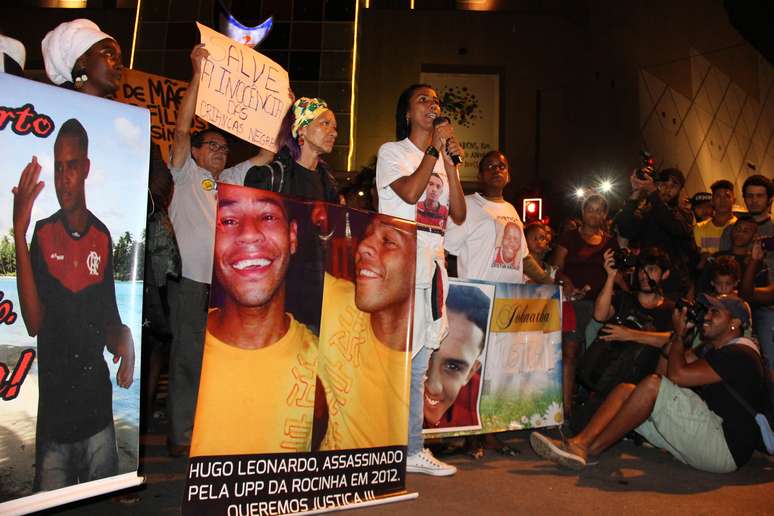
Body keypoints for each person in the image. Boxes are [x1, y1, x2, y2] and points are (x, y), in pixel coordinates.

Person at [12, 119, 134, 490]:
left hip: (98, 416)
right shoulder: (43, 234)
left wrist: (125, 340)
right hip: (54, 424)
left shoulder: (102, 236)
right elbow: (33, 323)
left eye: (72, 166)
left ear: (86, 169)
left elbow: (109, 319)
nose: (64, 177)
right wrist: (18, 231)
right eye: (58, 167)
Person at [165, 43, 273, 456]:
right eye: (212, 145)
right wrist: (197, 74)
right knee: (188, 358)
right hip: (190, 282)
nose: (220, 151)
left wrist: (284, 114)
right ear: (195, 152)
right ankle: (180, 437)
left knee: (220, 361)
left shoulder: (230, 179)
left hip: (224, 287)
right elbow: (180, 127)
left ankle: (212, 429)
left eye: (224, 148)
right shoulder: (184, 172)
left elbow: (265, 153)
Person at [531, 295, 766, 474]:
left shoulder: (740, 354)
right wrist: (675, 340)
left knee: (652, 385)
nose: (706, 316)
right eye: (708, 311)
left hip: (724, 447)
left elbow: (677, 377)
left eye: (716, 312)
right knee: (627, 390)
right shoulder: (719, 350)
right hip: (713, 436)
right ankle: (577, 443)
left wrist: (679, 336)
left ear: (735, 323)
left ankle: (586, 450)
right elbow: (663, 374)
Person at [189, 184, 319, 456]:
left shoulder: (324, 365)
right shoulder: (188, 350)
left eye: (268, 217)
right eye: (228, 220)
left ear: (292, 236)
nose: (249, 234)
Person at [376, 83, 466, 476]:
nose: (433, 105)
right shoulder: (392, 153)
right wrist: (433, 150)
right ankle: (387, 446)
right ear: (408, 113)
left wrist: (450, 164)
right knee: (398, 360)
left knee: (420, 361)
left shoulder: (443, 160)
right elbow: (411, 193)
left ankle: (411, 448)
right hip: (402, 261)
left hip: (433, 263)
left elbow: (458, 213)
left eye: (436, 100)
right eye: (423, 100)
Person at [317, 216, 414, 450]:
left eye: (389, 241)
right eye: (366, 236)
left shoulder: (429, 367)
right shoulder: (336, 300)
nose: (362, 247)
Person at [572, 248, 675, 429]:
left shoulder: (670, 308)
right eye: (642, 269)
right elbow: (599, 315)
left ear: (665, 274)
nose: (644, 275)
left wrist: (630, 334)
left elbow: (673, 341)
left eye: (651, 270)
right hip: (608, 370)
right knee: (580, 424)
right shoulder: (624, 298)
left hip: (642, 377)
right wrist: (611, 277)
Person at [551, 193, 619, 415]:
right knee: (570, 351)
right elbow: (556, 268)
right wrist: (567, 282)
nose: (594, 213)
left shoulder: (611, 241)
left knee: (595, 355)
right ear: (582, 211)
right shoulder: (569, 237)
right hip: (573, 302)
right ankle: (566, 408)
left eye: (600, 210)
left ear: (605, 215)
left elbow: (616, 273)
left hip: (600, 304)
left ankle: (591, 407)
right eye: (590, 208)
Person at [445, 150, 530, 283]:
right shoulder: (466, 205)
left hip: (509, 298)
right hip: (478, 297)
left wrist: (548, 280)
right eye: (490, 166)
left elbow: (524, 257)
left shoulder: (511, 210)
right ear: (480, 176)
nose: (497, 170)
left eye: (502, 166)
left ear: (508, 177)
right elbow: (443, 249)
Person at [615, 168, 696, 299]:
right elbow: (625, 229)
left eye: (674, 185)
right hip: (644, 280)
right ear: (657, 184)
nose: (667, 189)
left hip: (673, 284)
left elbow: (672, 226)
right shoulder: (646, 211)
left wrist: (653, 193)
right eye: (663, 184)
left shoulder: (684, 215)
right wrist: (636, 191)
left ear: (680, 189)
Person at [244, 96, 338, 203]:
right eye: (325, 123)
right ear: (301, 129)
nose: (334, 133)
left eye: (334, 127)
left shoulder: (329, 184)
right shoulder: (268, 177)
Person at [424, 284, 489, 429]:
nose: (433, 387)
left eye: (453, 367)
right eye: (424, 357)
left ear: (470, 372)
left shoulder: (476, 405)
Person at [41, 19, 122, 98]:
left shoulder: (119, 111)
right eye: (108, 54)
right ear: (82, 62)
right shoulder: (52, 108)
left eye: (119, 57)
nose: (120, 65)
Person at [696, 216, 768, 296]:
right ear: (732, 230)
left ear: (754, 236)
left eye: (745, 231)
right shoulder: (716, 258)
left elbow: (758, 294)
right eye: (737, 229)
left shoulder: (756, 263)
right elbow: (701, 287)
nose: (740, 233)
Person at [695, 180, 737, 258]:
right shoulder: (700, 228)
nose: (722, 200)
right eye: (718, 196)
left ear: (734, 200)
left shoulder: (739, 227)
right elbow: (700, 256)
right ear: (712, 201)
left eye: (727, 196)